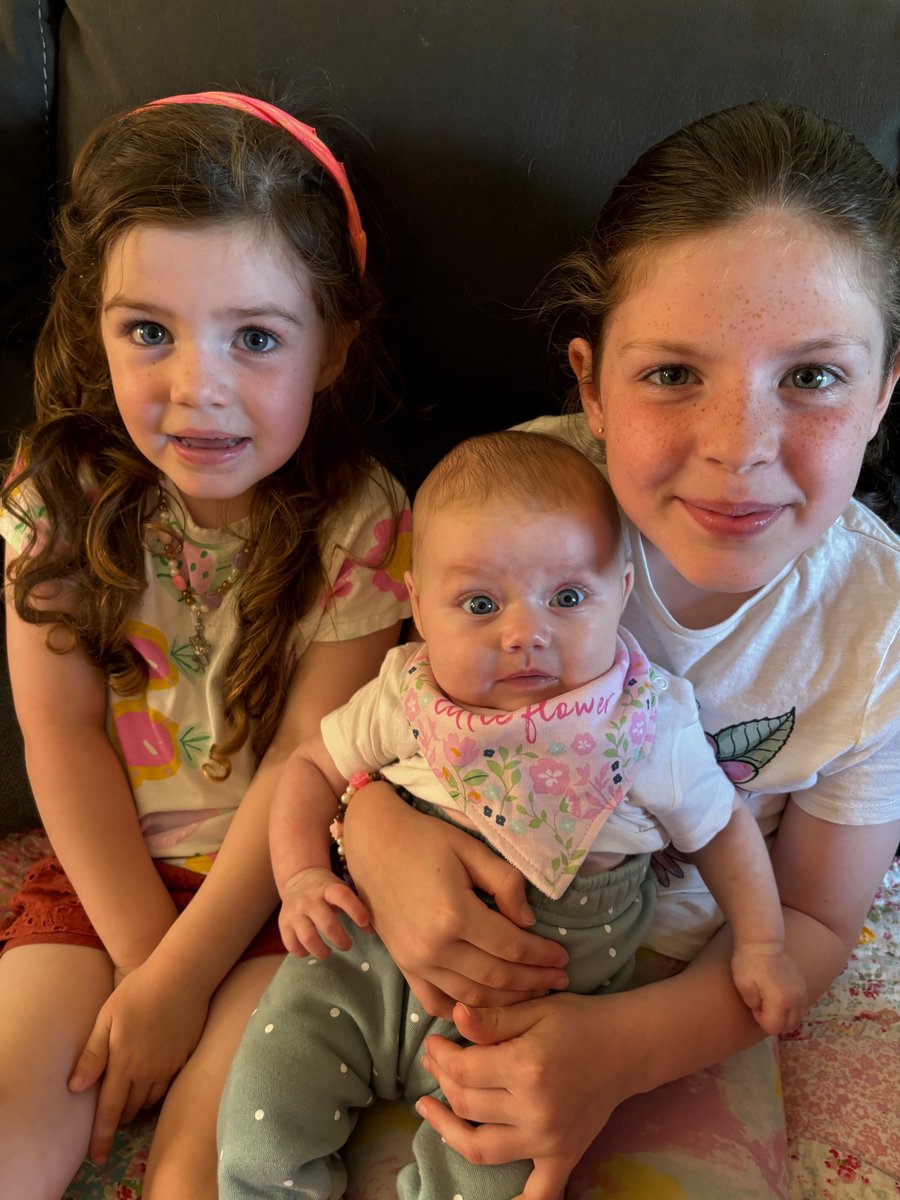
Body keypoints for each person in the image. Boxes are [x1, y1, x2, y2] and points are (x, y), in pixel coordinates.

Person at [333, 102, 900, 1199]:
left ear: (882, 393)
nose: (739, 448)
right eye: (673, 375)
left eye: (814, 376)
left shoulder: (876, 625)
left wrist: (622, 1050)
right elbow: (388, 722)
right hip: (436, 951)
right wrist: (377, 839)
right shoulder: (507, 512)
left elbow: (821, 917)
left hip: (684, 989)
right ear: (589, 383)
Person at [0, 91, 411, 1200]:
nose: (196, 390)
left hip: (282, 894)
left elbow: (300, 766)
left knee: (210, 1169)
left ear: (333, 349)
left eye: (257, 337)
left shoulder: (364, 525)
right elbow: (61, 730)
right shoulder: (56, 496)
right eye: (148, 331)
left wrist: (184, 984)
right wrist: (146, 965)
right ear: (95, 325)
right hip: (100, 880)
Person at [217, 429, 806, 1198]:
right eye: (481, 603)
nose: (525, 633)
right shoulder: (405, 691)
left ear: (622, 591)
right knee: (265, 1095)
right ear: (419, 608)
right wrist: (298, 877)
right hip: (359, 966)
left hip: (529, 1021)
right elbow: (310, 768)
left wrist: (760, 943)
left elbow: (724, 828)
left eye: (567, 598)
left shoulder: (646, 723)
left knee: (496, 1175)